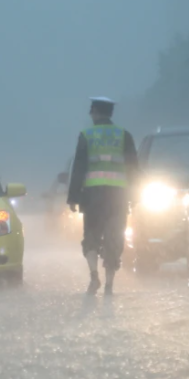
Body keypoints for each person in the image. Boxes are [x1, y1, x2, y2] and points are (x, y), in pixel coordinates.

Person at [67, 97, 139, 296]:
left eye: (92, 111)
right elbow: (134, 169)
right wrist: (136, 196)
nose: (90, 115)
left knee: (91, 236)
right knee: (114, 238)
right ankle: (109, 284)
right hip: (118, 197)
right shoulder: (124, 135)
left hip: (92, 197)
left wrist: (73, 197)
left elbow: (79, 168)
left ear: (96, 113)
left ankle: (93, 276)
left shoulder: (86, 135)